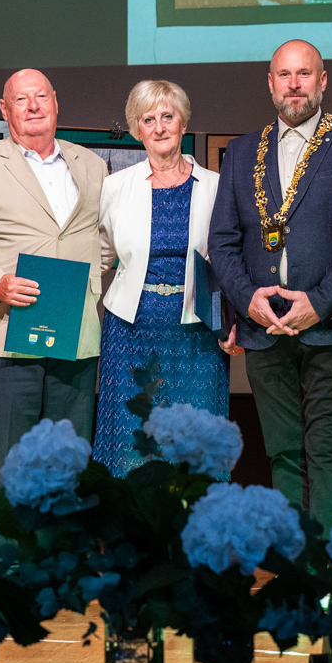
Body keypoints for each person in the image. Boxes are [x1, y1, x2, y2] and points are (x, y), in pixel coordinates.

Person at [208, 40, 332, 533]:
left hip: (330, 326)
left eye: (304, 74)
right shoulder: (242, 151)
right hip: (263, 327)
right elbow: (223, 240)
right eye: (284, 75)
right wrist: (248, 300)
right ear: (270, 83)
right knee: (283, 452)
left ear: (322, 81)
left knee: (327, 449)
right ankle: (294, 560)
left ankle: (326, 563)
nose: (294, 84)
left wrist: (319, 304)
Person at [0, 69, 106, 555]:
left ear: (56, 103)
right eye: (21, 99)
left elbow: (105, 239)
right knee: (6, 462)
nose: (34, 105)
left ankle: (62, 565)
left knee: (67, 461)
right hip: (7, 333)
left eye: (41, 96)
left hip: (76, 336)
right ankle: (7, 563)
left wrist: (89, 282)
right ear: (5, 110)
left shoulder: (92, 165)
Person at [94, 80, 227, 478]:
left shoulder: (216, 187)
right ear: (136, 129)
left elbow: (227, 263)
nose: (159, 127)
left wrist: (232, 323)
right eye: (148, 119)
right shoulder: (115, 187)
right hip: (130, 333)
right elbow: (101, 256)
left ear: (183, 122)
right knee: (133, 441)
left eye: (168, 116)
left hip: (197, 335)